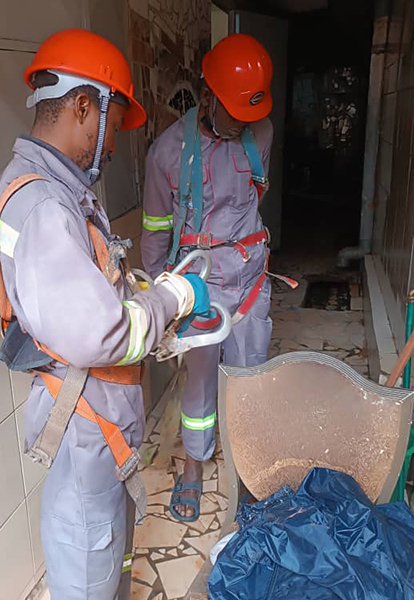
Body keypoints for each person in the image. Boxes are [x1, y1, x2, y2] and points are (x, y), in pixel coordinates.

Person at [0, 29, 210, 600]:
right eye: (112, 126)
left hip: (93, 417)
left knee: (109, 557)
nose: (111, 146)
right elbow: (101, 332)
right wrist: (175, 299)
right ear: (85, 107)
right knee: (90, 568)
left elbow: (90, 290)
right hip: (84, 422)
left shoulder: (58, 193)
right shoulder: (44, 206)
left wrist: (146, 296)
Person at [141, 34, 286, 522]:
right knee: (200, 384)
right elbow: (155, 233)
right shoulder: (167, 154)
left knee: (250, 376)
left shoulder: (261, 133)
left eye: (250, 113)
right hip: (200, 288)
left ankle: (250, 469)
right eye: (235, 113)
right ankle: (193, 464)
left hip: (249, 281)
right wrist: (162, 300)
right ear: (208, 96)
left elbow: (252, 198)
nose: (244, 122)